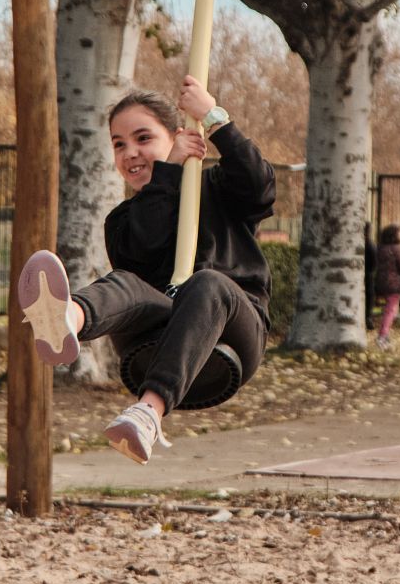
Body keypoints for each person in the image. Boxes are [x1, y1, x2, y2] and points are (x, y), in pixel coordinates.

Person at [17, 76, 274, 464]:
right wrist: (166, 176)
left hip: (232, 333)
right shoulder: (123, 220)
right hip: (153, 341)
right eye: (119, 144)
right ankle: (67, 316)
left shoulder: (220, 188)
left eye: (143, 138)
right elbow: (144, 249)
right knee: (125, 281)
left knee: (208, 283)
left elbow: (261, 186)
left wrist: (214, 118)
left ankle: (148, 414)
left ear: (179, 137)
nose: (129, 153)